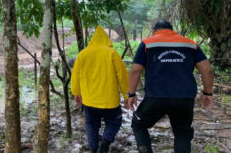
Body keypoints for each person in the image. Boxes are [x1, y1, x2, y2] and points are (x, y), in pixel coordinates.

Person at [126, 20, 214, 153]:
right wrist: (208, 93)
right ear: (172, 30)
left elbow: (135, 70)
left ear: (155, 31)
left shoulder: (147, 44)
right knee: (182, 134)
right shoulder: (190, 44)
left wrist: (131, 94)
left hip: (156, 98)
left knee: (138, 124)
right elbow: (207, 70)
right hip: (184, 98)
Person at [71, 26, 129, 153]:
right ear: (107, 40)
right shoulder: (112, 53)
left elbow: (75, 76)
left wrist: (76, 93)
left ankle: (94, 149)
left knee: (91, 126)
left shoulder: (82, 54)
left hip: (89, 101)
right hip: (110, 101)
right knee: (115, 122)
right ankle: (104, 145)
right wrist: (127, 95)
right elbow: (122, 76)